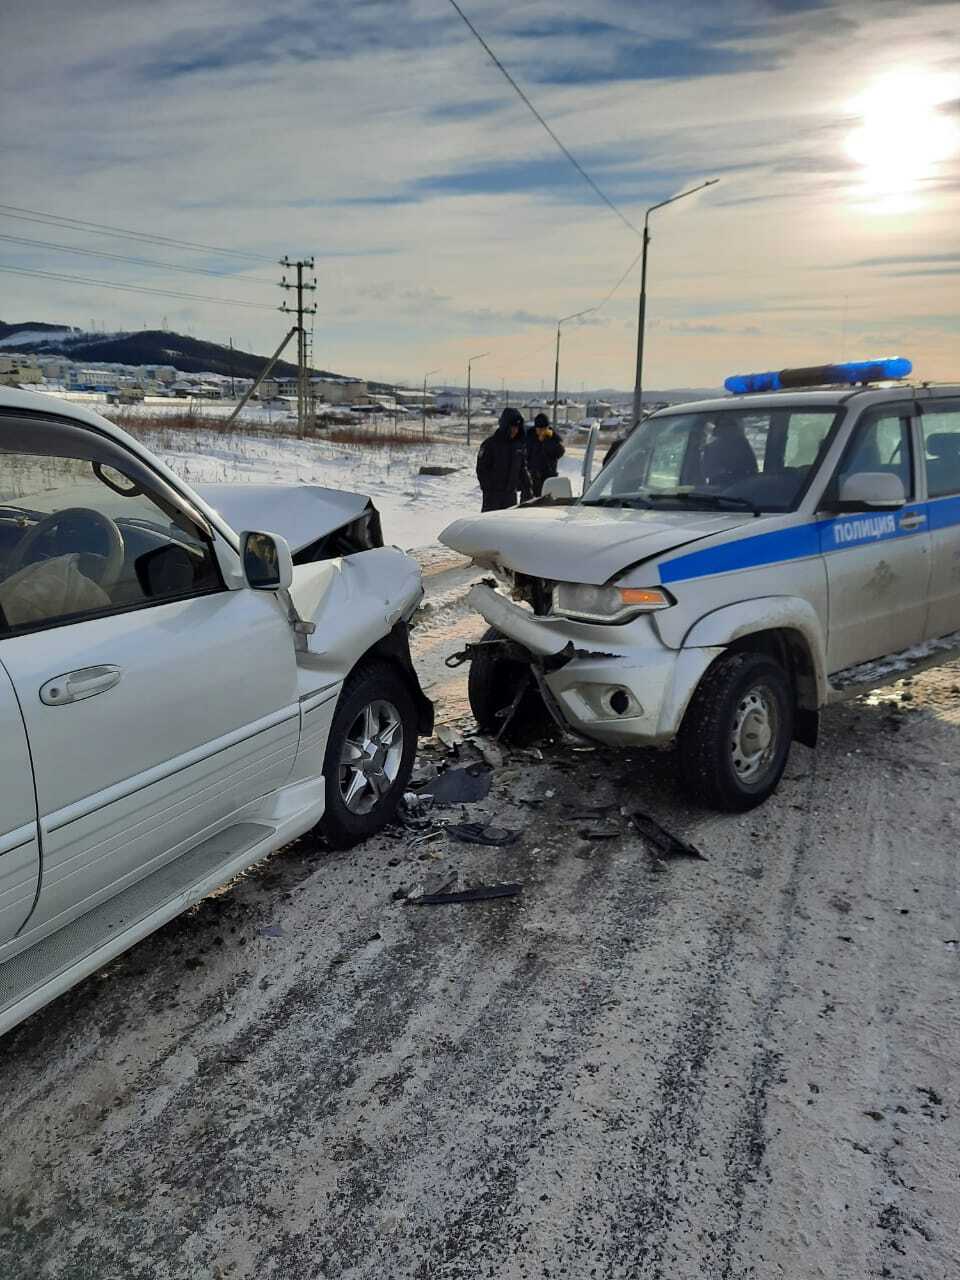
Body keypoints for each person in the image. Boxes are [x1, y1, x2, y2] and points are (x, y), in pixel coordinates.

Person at [476, 407, 527, 511]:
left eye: (517, 427)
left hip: (510, 497)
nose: (515, 430)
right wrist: (489, 490)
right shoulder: (490, 445)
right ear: (505, 426)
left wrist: (527, 488)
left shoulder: (519, 446)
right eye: (512, 427)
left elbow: (522, 469)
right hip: (493, 497)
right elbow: (481, 470)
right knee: (490, 526)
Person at [527, 412, 566, 496]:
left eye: (544, 429)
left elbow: (560, 452)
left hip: (549, 479)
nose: (541, 432)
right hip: (533, 479)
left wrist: (547, 441)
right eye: (539, 430)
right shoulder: (529, 437)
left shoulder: (554, 439)